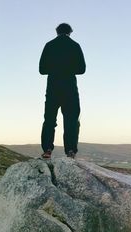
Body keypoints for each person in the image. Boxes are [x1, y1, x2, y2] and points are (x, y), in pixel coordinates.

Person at [39, 23, 86, 159]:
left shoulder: (49, 45)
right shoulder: (75, 46)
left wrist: (55, 68)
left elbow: (42, 70)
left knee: (49, 120)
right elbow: (82, 69)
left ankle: (47, 149)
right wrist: (68, 68)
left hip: (53, 87)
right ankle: (70, 151)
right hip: (70, 88)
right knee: (71, 120)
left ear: (57, 32)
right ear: (70, 32)